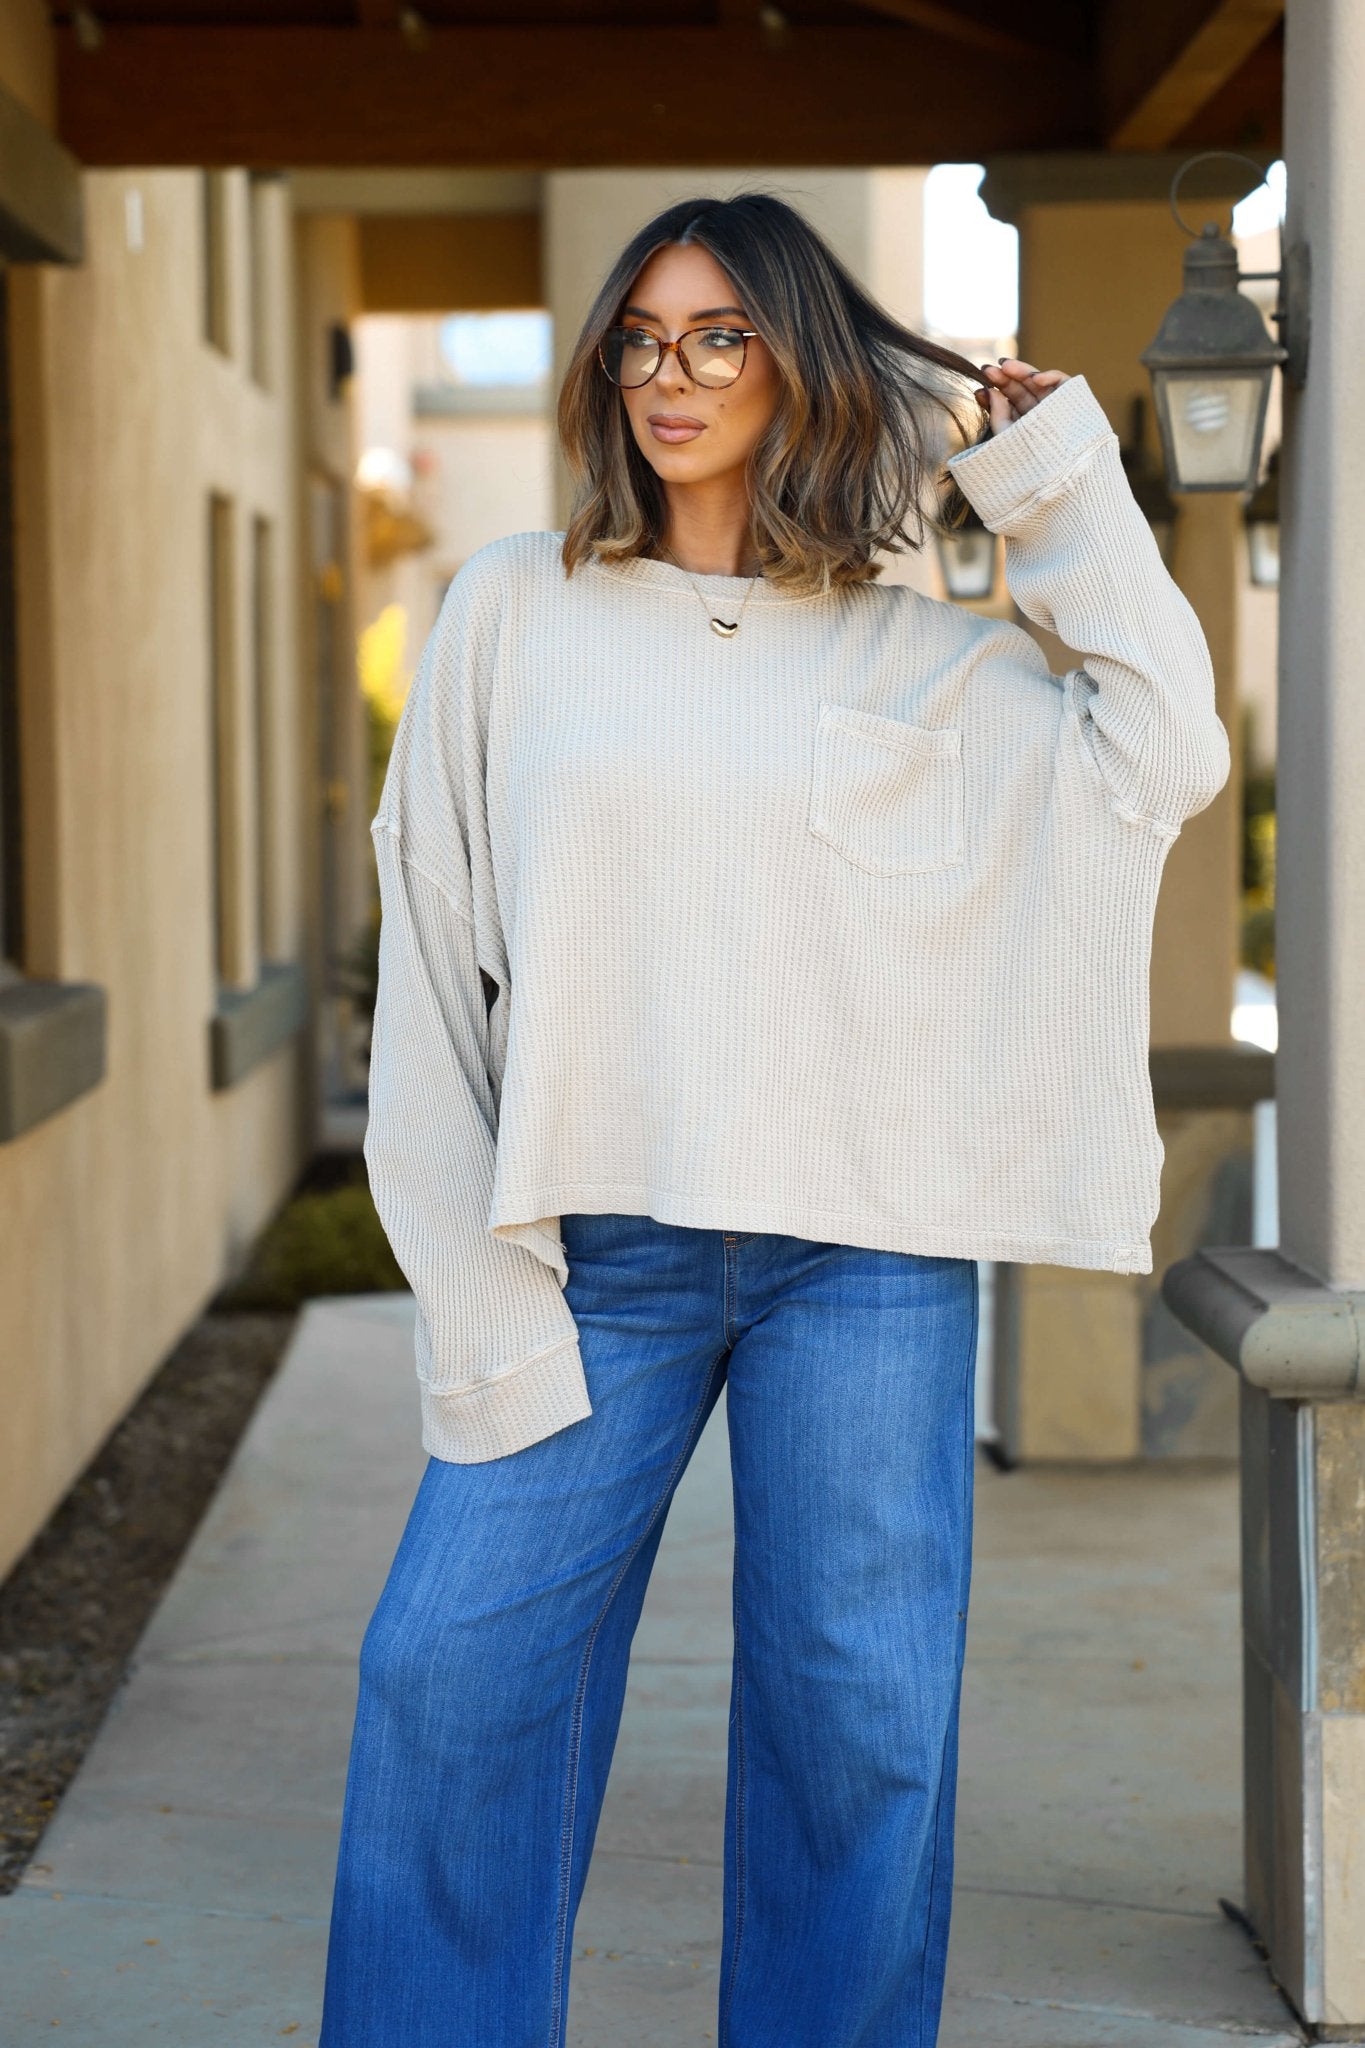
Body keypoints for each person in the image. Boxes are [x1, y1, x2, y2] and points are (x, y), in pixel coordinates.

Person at [318, 191, 1229, 2048]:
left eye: (721, 335)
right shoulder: (508, 613)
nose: (671, 375)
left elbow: (1164, 748)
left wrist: (1050, 475)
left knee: (859, 1727)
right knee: (445, 1675)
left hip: (863, 1259)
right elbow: (430, 969)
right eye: (641, 338)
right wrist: (472, 1290)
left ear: (798, 360)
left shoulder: (924, 659)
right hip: (589, 1248)